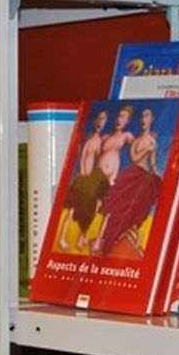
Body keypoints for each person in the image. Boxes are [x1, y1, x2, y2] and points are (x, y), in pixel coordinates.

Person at [93, 107, 161, 257]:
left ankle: (136, 238)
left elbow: (153, 164)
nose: (143, 119)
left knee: (135, 211)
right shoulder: (136, 140)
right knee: (112, 206)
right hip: (131, 176)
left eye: (147, 116)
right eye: (142, 116)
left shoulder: (152, 142)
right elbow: (134, 159)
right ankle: (99, 240)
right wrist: (147, 150)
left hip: (144, 180)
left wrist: (159, 176)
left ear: (151, 120)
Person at [57, 107, 111, 252]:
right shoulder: (89, 138)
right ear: (95, 120)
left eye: (103, 119)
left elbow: (96, 160)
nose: (100, 121)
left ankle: (81, 238)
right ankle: (62, 238)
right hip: (83, 178)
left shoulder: (100, 140)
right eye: (99, 118)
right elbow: (82, 157)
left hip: (90, 180)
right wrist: (83, 174)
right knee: (72, 210)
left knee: (91, 209)